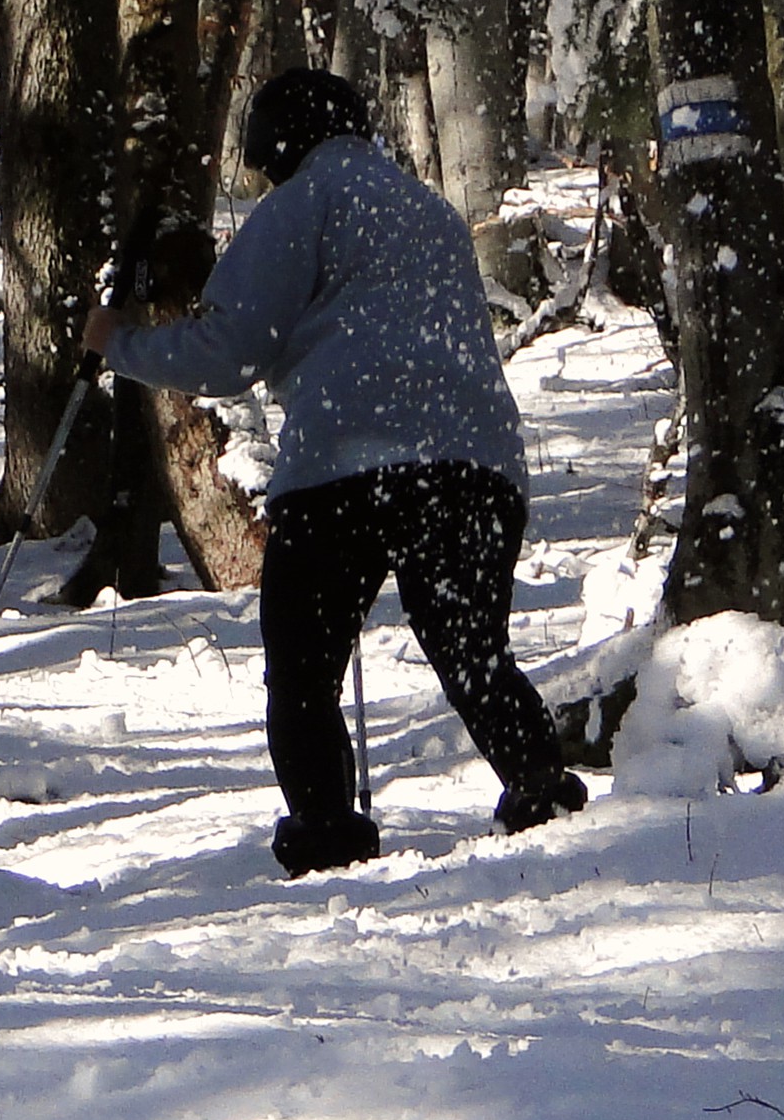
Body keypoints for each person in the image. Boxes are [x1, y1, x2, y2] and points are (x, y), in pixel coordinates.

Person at [83, 68, 587, 876]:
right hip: (476, 463)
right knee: (471, 649)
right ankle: (540, 792)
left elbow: (230, 350)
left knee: (305, 662)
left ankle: (326, 827)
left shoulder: (300, 206)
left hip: (346, 470)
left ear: (279, 145)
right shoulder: (432, 213)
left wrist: (119, 345)